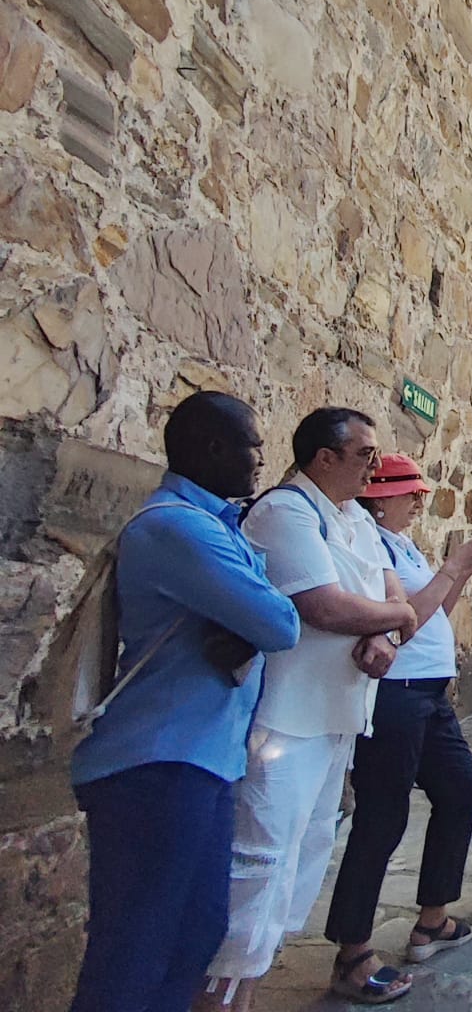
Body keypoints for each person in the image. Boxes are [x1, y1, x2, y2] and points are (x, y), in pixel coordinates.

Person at [67, 392, 299, 1012]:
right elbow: (281, 623)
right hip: (159, 763)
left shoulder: (210, 523)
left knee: (193, 935)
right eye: (252, 444)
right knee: (134, 949)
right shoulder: (177, 526)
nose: (260, 458)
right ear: (213, 447)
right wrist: (256, 613)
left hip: (204, 761)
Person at [200, 408, 417, 1010]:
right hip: (286, 718)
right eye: (364, 453)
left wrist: (388, 631)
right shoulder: (285, 512)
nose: (375, 465)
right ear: (325, 457)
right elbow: (324, 607)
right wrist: (395, 621)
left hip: (338, 716)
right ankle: (220, 995)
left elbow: (388, 586)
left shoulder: (353, 518)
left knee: (304, 851)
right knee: (260, 858)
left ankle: (249, 988)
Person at [322, 455, 472, 973]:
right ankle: (352, 950)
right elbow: (406, 623)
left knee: (461, 788)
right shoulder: (369, 545)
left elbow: (432, 610)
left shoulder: (401, 545)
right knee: (383, 814)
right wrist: (451, 567)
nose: (420, 501)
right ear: (380, 497)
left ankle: (432, 920)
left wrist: (459, 573)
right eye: (409, 492)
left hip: (428, 694)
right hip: (396, 693)